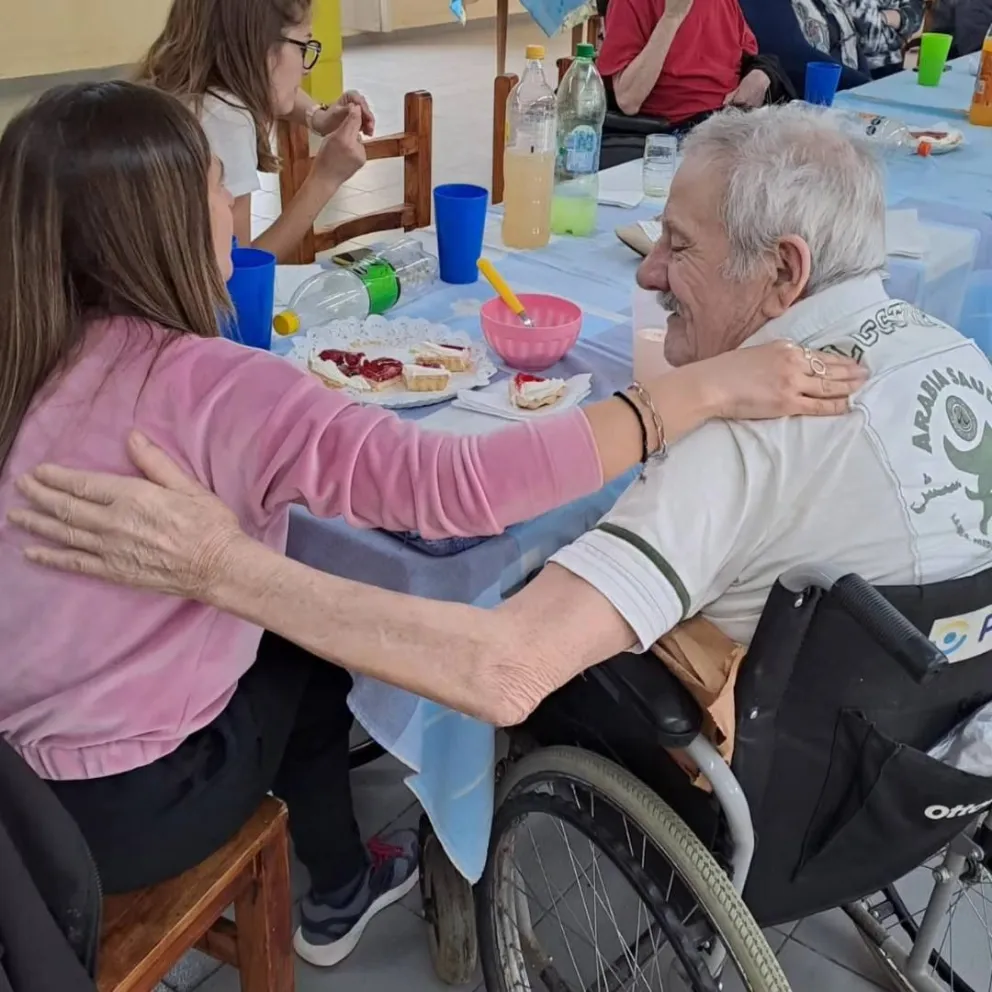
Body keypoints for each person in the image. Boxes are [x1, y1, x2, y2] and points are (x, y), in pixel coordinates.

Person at [0, 83, 859, 968]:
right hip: (131, 812)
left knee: (278, 622)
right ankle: (341, 886)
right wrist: (695, 393)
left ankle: (337, 873)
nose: (235, 207)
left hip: (20, 794)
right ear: (163, 226)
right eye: (221, 186)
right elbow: (458, 487)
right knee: (311, 652)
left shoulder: (24, 360)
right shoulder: (220, 389)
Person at [17, 103, 992, 744]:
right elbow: (449, 490)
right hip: (924, 752)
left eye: (676, 245)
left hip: (787, 759)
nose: (648, 273)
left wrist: (217, 565)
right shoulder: (958, 353)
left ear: (782, 270)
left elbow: (505, 666)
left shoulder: (746, 441)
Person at [138, 0, 372, 262]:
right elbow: (238, 269)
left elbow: (271, 84)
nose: (307, 68)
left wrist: (317, 117)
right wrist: (325, 179)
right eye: (303, 47)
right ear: (261, 48)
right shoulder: (226, 118)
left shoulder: (179, 90)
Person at [597, 0, 773, 124]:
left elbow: (751, 57)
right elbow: (628, 100)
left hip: (731, 123)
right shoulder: (628, 3)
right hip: (670, 132)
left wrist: (761, 74)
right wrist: (672, 17)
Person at [743, 0, 870, 94]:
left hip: (854, 95)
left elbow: (850, 38)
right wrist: (865, 86)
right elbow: (792, 54)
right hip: (810, 105)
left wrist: (869, 84)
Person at [840, 0, 923, 77]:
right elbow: (870, 40)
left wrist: (884, 17)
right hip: (852, 68)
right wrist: (899, 35)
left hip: (891, 64)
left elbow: (915, 18)